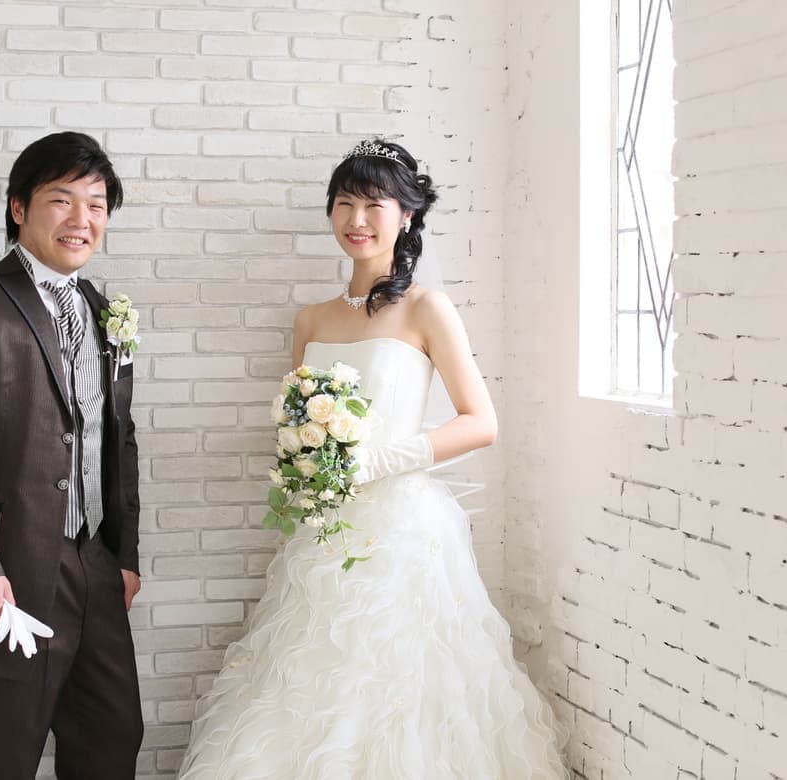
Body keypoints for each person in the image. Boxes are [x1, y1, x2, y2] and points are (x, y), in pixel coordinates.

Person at [178, 139, 569, 778]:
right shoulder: (310, 320)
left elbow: (482, 422)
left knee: (402, 688)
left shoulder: (427, 308)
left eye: (373, 205)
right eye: (344, 204)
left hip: (402, 532)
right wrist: (308, 467)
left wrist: (376, 463)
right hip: (324, 530)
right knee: (312, 681)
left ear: (406, 215)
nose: (356, 220)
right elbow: (298, 425)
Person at [0, 131, 143, 780]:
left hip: (95, 562)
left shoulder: (104, 310)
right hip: (12, 566)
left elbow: (118, 437)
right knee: (6, 753)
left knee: (114, 733)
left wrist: (124, 556)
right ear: (19, 207)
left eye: (96, 205)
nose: (82, 220)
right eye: (62, 200)